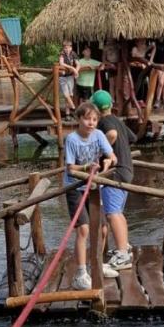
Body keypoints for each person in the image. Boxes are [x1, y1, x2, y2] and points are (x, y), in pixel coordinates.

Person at [63, 100, 117, 291]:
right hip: (75, 187)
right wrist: (86, 166)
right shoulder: (71, 139)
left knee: (102, 229)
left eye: (94, 119)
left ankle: (98, 264)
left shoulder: (99, 135)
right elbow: (70, 168)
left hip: (94, 187)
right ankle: (80, 273)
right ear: (79, 119)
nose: (91, 123)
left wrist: (107, 163)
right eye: (87, 119)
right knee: (84, 230)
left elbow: (112, 156)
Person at [91, 89, 135, 273]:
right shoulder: (117, 119)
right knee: (117, 212)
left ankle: (123, 255)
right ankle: (125, 247)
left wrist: (101, 151)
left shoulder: (105, 121)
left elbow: (112, 135)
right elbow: (132, 138)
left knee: (112, 214)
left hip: (114, 174)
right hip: (127, 169)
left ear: (96, 108)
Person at [57, 41, 79, 110]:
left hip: (70, 76)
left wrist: (76, 71)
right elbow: (61, 63)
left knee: (70, 94)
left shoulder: (73, 54)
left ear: (71, 47)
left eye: (68, 48)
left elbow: (78, 64)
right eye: (65, 48)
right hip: (62, 77)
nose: (67, 49)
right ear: (63, 48)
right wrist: (72, 68)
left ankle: (68, 113)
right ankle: (73, 107)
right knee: (66, 94)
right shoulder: (62, 54)